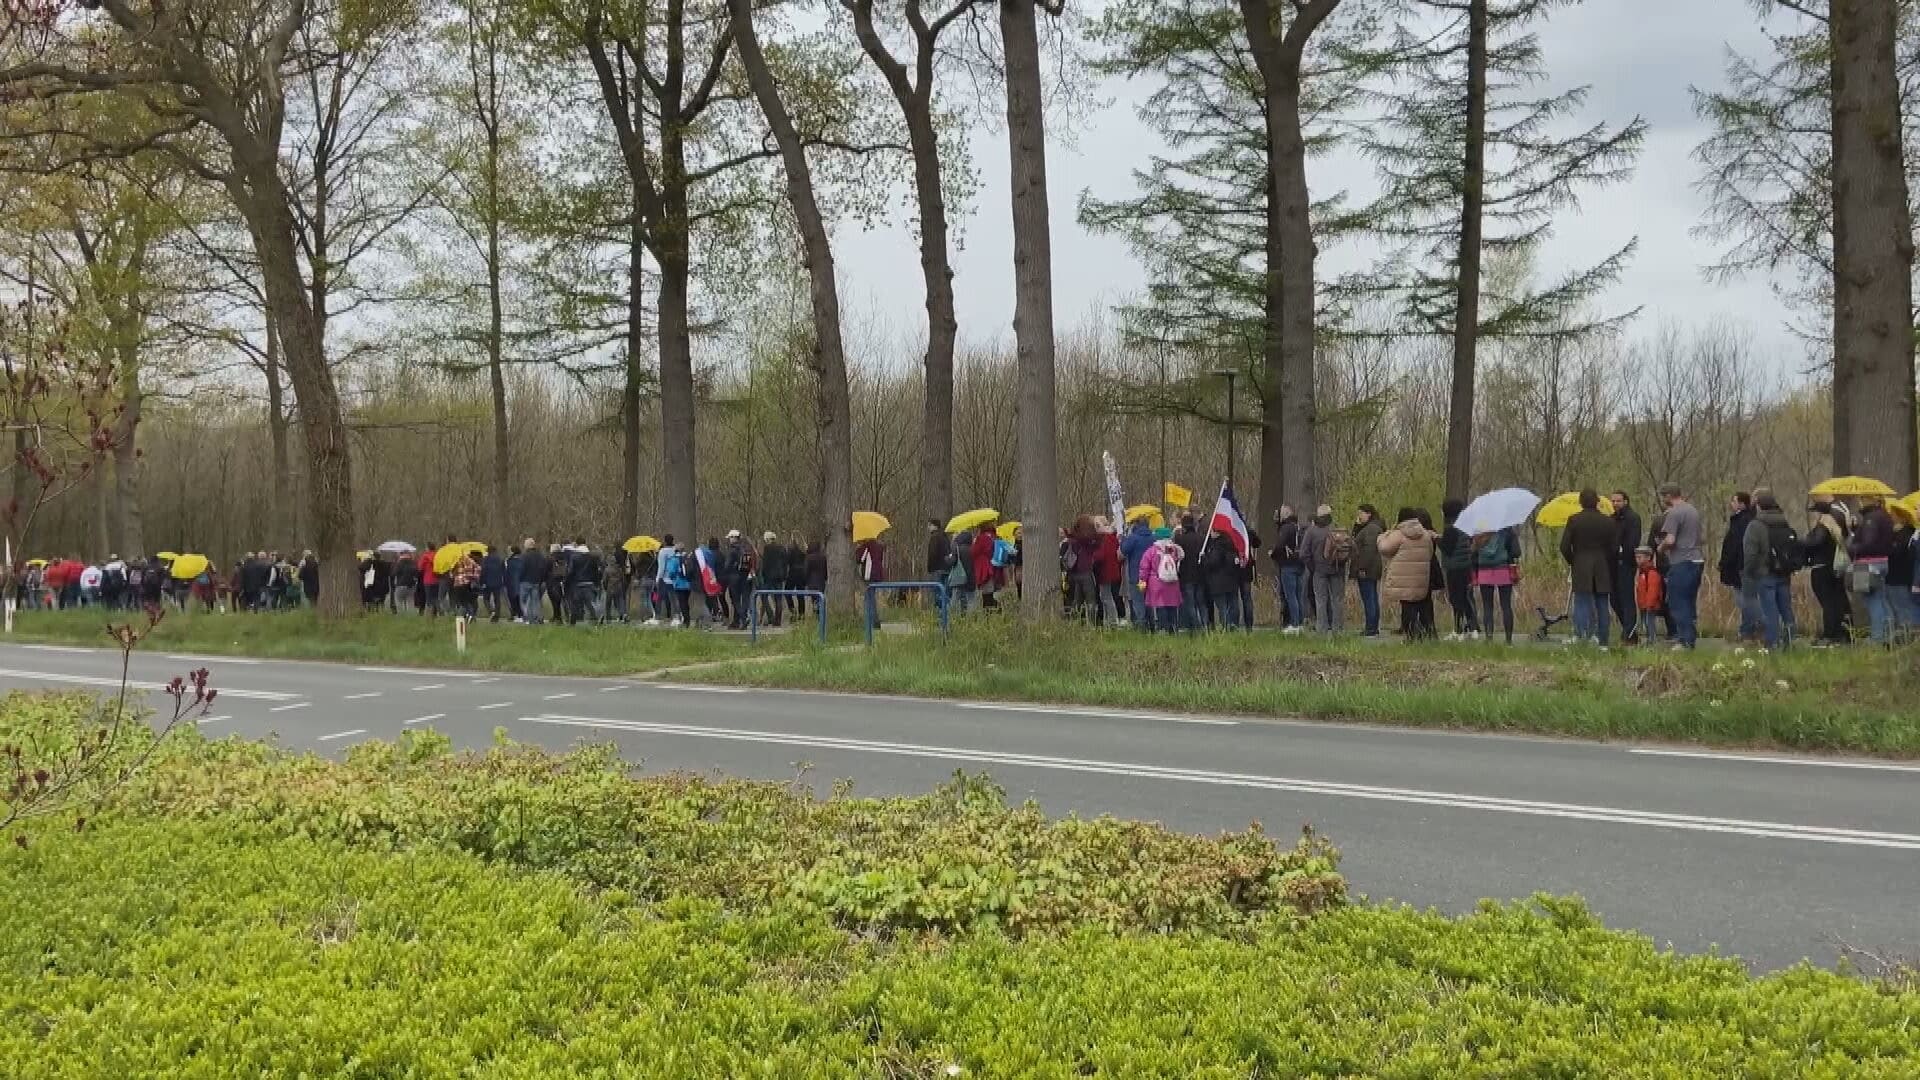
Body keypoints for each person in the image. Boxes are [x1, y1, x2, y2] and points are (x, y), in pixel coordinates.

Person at [1741, 489, 1798, 650]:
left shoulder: (1756, 525)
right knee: (1786, 609)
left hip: (1764, 573)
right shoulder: (1784, 522)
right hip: (1784, 572)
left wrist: (1749, 572)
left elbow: (1750, 553)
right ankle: (1790, 641)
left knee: (1769, 610)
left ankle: (1772, 643)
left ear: (1758, 505)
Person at [1560, 489, 1617, 646]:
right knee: (1602, 603)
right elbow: (1614, 548)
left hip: (1581, 564)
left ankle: (1580, 636)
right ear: (1598, 502)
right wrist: (1605, 560)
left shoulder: (1574, 520)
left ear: (1581, 502)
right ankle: (1603, 641)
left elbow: (1564, 546)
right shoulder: (1608, 521)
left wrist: (1573, 560)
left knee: (1581, 602)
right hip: (1602, 565)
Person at [1657, 482, 1706, 650]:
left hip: (1682, 561)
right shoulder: (1693, 511)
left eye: (1663, 496)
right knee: (1689, 601)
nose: (1663, 500)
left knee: (1678, 602)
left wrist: (1660, 547)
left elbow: (1670, 540)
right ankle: (1689, 637)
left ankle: (1685, 640)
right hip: (1697, 560)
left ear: (1668, 496)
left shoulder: (1674, 513)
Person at [1379, 508, 1436, 640]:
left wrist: (1382, 537)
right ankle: (1427, 634)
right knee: (1421, 605)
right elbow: (1430, 552)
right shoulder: (1425, 534)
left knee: (1407, 606)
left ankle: (1411, 636)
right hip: (1421, 578)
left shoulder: (1398, 534)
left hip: (1403, 578)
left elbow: (1384, 548)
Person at [1848, 497, 1898, 646]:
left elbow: (1868, 543)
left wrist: (1852, 546)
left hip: (1867, 564)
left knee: (1872, 601)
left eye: (1862, 499)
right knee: (1882, 599)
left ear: (1868, 500)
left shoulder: (1871, 519)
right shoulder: (1885, 516)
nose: (1859, 502)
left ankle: (1877, 637)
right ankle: (1890, 634)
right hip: (1883, 562)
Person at [1804, 498, 1851, 646]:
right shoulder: (1838, 528)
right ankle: (1844, 633)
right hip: (1835, 568)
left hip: (1821, 568)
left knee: (1828, 603)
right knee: (1838, 601)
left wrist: (1800, 543)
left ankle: (1830, 634)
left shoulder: (1823, 527)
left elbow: (1814, 543)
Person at [1437, 500, 1479, 640]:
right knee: (1465, 598)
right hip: (1466, 567)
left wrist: (1437, 539)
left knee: (1456, 600)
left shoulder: (1451, 528)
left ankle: (1458, 630)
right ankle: (1472, 628)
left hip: (1454, 568)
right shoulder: (1465, 526)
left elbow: (1447, 549)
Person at [1718, 492, 1758, 642]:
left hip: (1740, 566)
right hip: (1741, 565)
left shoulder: (1742, 521)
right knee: (1746, 599)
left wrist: (1725, 562)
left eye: (1734, 501)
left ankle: (1748, 630)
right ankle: (1748, 629)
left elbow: (1735, 545)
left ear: (1742, 504)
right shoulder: (1745, 519)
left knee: (1744, 600)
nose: (1731, 504)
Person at [1472, 525, 1520, 645]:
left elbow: (1472, 554)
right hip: (1503, 569)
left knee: (1487, 606)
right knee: (1506, 606)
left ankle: (1489, 639)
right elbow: (1516, 552)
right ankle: (1508, 640)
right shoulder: (1507, 530)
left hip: (1484, 571)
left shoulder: (1480, 531)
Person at [1301, 505, 1343, 634]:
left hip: (1319, 570)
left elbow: (1304, 553)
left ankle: (1322, 628)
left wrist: (1312, 567)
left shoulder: (1312, 531)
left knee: (1320, 599)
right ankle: (1338, 629)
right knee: (1337, 599)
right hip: (1336, 568)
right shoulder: (1337, 528)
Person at [1609, 491, 1644, 643]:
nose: (1615, 504)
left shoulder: (1633, 518)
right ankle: (1628, 630)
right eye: (1613, 501)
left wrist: (1624, 554)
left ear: (1626, 501)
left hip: (1626, 563)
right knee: (1614, 599)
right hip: (1612, 563)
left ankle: (1629, 633)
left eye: (1618, 501)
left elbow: (1633, 541)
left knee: (1626, 598)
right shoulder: (1611, 519)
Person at [1136, 525, 1184, 633]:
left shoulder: (1151, 551)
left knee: (1160, 607)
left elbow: (1144, 569)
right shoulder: (1175, 550)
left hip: (1156, 584)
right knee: (1172, 608)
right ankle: (1173, 629)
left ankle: (1162, 629)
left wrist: (1142, 585)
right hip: (1173, 584)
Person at [1349, 505, 1384, 637]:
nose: (1359, 516)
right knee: (1372, 597)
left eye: (1361, 514)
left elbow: (1368, 551)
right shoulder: (1369, 528)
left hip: (1367, 569)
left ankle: (1371, 627)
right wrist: (1357, 526)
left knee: (1369, 598)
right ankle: (1373, 626)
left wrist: (1362, 568)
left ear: (1368, 514)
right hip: (1372, 568)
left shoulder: (1370, 530)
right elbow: (1354, 540)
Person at [1270, 506, 1305, 634]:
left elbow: (1280, 544)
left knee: (1290, 596)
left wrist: (1273, 554)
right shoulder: (1298, 527)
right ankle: (1300, 623)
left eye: (1282, 512)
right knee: (1298, 595)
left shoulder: (1286, 528)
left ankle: (1294, 624)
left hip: (1288, 564)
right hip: (1300, 564)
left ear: (1287, 514)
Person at [1200, 526, 1242, 630]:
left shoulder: (1217, 546)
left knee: (1222, 607)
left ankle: (1226, 627)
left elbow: (1213, 562)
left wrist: (1203, 558)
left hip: (1218, 582)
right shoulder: (1231, 545)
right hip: (1231, 581)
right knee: (1233, 604)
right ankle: (1234, 625)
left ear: (1216, 532)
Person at [1119, 514, 1154, 630]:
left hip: (1137, 576)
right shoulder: (1153, 537)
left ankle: (1141, 626)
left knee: (1138, 601)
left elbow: (1124, 550)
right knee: (1148, 601)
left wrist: (1123, 538)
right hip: (1150, 576)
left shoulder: (1134, 538)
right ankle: (1152, 625)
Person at [1173, 514, 1205, 630]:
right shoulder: (1201, 538)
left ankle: (1197, 627)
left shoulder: (1180, 539)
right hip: (1200, 575)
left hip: (1186, 576)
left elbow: (1177, 556)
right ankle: (1205, 625)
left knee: (1189, 604)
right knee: (1201, 604)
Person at [1094, 517, 1126, 626]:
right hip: (1113, 570)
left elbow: (1101, 556)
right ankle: (1111, 619)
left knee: (1106, 597)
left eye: (1098, 526)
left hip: (1105, 571)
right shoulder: (1112, 538)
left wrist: (1092, 556)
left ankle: (1112, 621)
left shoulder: (1104, 539)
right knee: (1108, 596)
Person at [1633, 546, 1664, 644]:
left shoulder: (1651, 573)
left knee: (1649, 622)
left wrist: (1650, 604)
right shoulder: (1642, 572)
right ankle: (1648, 639)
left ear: (1648, 557)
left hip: (1650, 605)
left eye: (1640, 557)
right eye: (1636, 557)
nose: (1638, 560)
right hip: (1643, 605)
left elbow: (1653, 590)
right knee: (1644, 624)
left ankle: (1652, 639)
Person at [759, 532, 788, 627]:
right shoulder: (782, 548)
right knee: (778, 598)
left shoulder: (767, 549)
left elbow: (765, 563)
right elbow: (785, 563)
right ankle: (777, 620)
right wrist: (784, 575)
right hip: (779, 576)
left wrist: (763, 573)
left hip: (769, 576)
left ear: (767, 539)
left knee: (764, 596)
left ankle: (770, 615)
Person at [517, 540, 548, 625]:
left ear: (527, 546)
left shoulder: (524, 556)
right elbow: (543, 568)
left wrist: (519, 578)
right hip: (536, 581)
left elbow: (521, 569)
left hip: (525, 581)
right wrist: (541, 579)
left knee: (523, 600)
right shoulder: (540, 556)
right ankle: (536, 617)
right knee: (535, 601)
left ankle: (527, 617)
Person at [970, 525, 999, 611]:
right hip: (990, 567)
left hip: (983, 568)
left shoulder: (981, 539)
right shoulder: (992, 539)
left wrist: (974, 542)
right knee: (989, 592)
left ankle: (989, 611)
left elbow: (973, 552)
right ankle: (992, 610)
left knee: (986, 593)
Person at [481, 546, 508, 622]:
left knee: (486, 598)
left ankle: (491, 611)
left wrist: (482, 582)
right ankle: (497, 616)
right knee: (497, 599)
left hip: (487, 582)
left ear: (488, 551)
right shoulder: (500, 559)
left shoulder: (485, 559)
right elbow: (504, 571)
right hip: (498, 582)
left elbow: (483, 571)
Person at [924, 520, 951, 596]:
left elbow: (933, 553)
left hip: (937, 568)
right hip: (946, 568)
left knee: (937, 591)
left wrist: (930, 567)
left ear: (935, 526)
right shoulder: (945, 537)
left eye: (930, 525)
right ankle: (945, 607)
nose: (928, 527)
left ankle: (938, 607)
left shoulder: (934, 537)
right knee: (945, 591)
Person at [604, 549, 630, 623]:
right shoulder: (619, 569)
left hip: (610, 587)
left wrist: (605, 587)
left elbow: (605, 580)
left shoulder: (607, 569)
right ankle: (622, 614)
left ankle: (608, 617)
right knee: (620, 602)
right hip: (619, 587)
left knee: (608, 603)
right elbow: (623, 579)